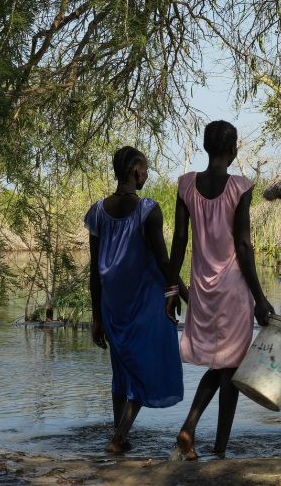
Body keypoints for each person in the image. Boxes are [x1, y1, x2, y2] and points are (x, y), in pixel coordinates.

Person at [170, 121, 274, 460]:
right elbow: (243, 246)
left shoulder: (186, 185)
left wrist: (172, 287)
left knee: (222, 368)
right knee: (230, 369)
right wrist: (260, 297)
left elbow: (180, 242)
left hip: (201, 289)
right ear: (233, 150)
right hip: (233, 289)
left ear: (205, 147)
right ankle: (215, 446)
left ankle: (195, 433)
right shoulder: (240, 187)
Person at [85, 146, 184, 454]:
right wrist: (182, 292)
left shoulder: (97, 212)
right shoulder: (148, 210)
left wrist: (97, 316)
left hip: (112, 307)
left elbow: (94, 270)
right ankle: (118, 439)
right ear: (134, 171)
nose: (147, 174)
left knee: (122, 372)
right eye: (145, 168)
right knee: (147, 369)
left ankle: (121, 435)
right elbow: (164, 261)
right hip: (145, 305)